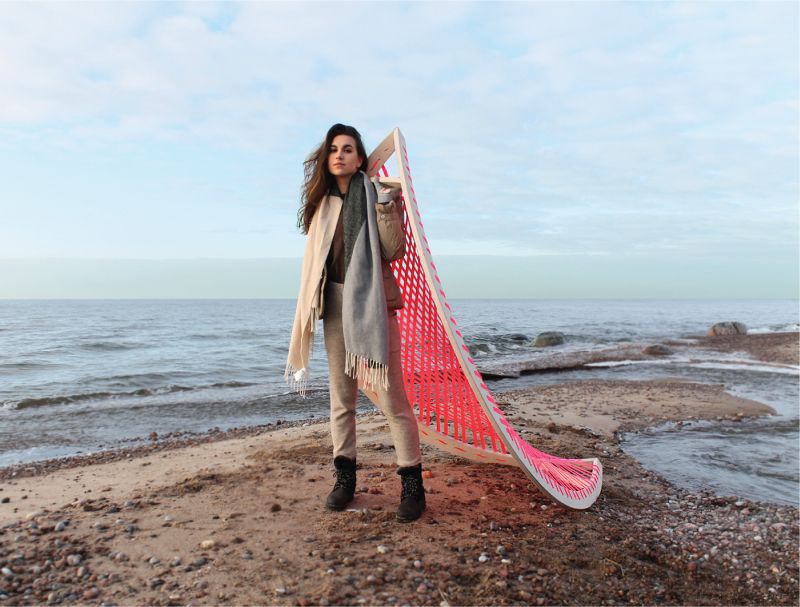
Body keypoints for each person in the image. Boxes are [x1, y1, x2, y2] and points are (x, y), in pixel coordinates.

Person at [285, 123, 426, 522]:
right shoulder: (321, 205)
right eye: (333, 149)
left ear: (361, 158)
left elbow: (394, 250)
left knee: (393, 398)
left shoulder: (377, 194)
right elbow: (315, 265)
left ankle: (413, 487)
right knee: (341, 401)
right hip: (332, 304)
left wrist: (385, 205)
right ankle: (344, 482)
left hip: (372, 307)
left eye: (348, 149)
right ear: (326, 158)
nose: (339, 155)